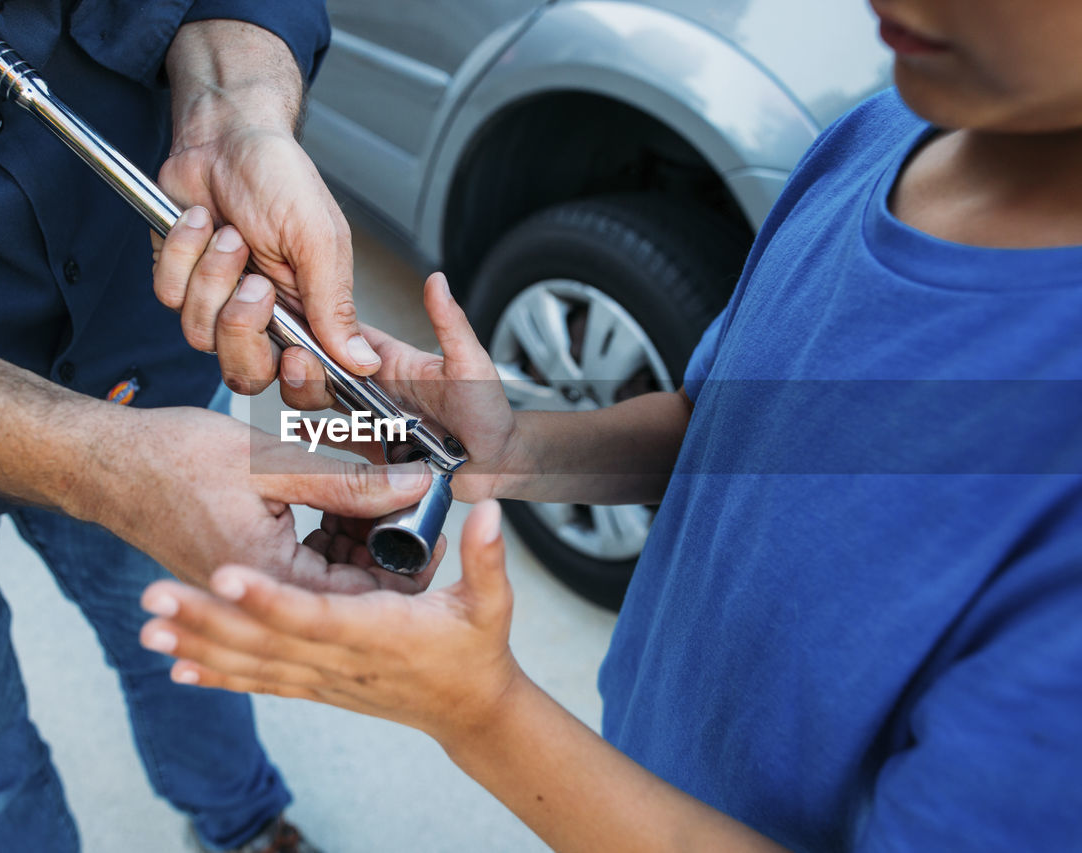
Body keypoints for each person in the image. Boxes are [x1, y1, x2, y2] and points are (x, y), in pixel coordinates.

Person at [138, 0, 1082, 849]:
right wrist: (518, 450)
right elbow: (724, 434)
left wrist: (481, 712)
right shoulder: (886, 132)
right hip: (637, 764)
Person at [0, 1, 436, 851]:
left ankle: (244, 822)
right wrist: (97, 465)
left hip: (135, 341)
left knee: (196, 643)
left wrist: (234, 108)